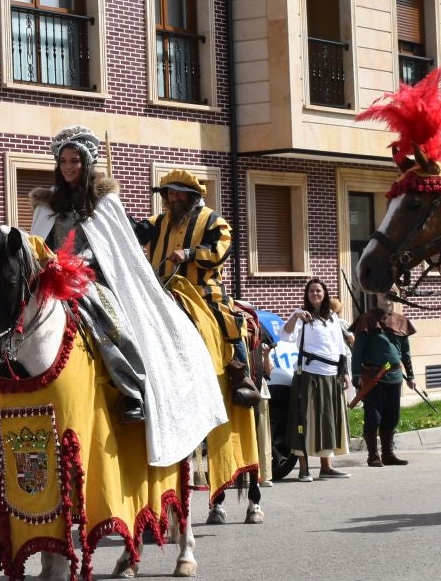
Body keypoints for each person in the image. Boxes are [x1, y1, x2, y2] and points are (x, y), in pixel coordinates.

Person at [29, 126, 225, 467]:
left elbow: (117, 249)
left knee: (111, 323)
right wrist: (46, 261)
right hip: (54, 277)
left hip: (94, 278)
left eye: (75, 160)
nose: (68, 167)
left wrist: (85, 260)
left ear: (87, 163)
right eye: (63, 161)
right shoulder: (48, 205)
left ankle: (133, 389)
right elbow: (39, 243)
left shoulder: (105, 202)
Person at [135, 169, 259, 406]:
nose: (173, 199)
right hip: (161, 290)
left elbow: (219, 251)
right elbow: (134, 232)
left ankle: (241, 377)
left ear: (191, 196)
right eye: (169, 194)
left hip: (202, 290)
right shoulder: (158, 222)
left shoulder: (213, 220)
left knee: (225, 320)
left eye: (179, 195)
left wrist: (190, 253)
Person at [283, 278, 351, 481]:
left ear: (324, 293)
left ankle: (326, 467)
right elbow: (285, 335)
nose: (315, 294)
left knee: (328, 421)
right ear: (307, 294)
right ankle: (304, 469)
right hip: (309, 375)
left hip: (331, 375)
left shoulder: (331, 318)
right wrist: (295, 316)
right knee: (306, 421)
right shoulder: (302, 316)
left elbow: (340, 348)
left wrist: (345, 372)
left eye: (318, 291)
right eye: (311, 291)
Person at [352, 301, 414, 468]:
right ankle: (373, 455)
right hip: (374, 377)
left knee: (392, 416)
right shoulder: (367, 320)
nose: (387, 298)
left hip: (394, 375)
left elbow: (405, 352)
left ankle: (388, 453)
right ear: (377, 295)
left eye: (391, 294)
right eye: (384, 293)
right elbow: (357, 350)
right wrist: (356, 374)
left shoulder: (401, 320)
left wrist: (411, 376)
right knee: (373, 416)